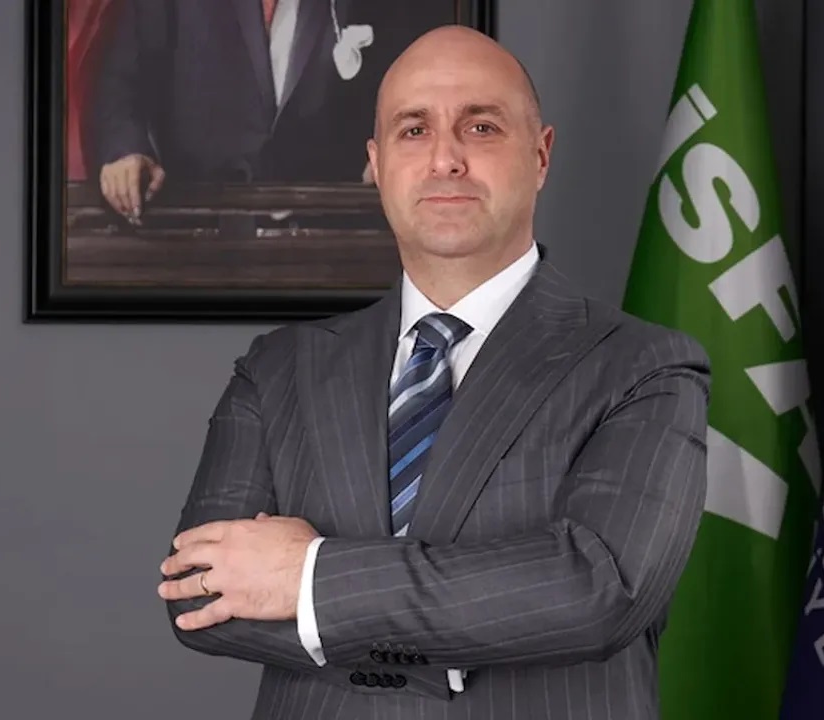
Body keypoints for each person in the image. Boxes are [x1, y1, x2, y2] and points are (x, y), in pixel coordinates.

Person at [156, 24, 712, 719]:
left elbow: (597, 589)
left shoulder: (644, 367)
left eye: (481, 127)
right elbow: (199, 591)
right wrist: (471, 621)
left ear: (540, 155)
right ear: (377, 162)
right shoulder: (277, 369)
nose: (445, 158)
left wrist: (311, 576)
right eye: (413, 130)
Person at [87, 0, 439, 220]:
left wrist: (395, 149)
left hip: (332, 222)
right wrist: (126, 150)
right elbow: (122, 79)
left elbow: (414, 78)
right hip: (198, 220)